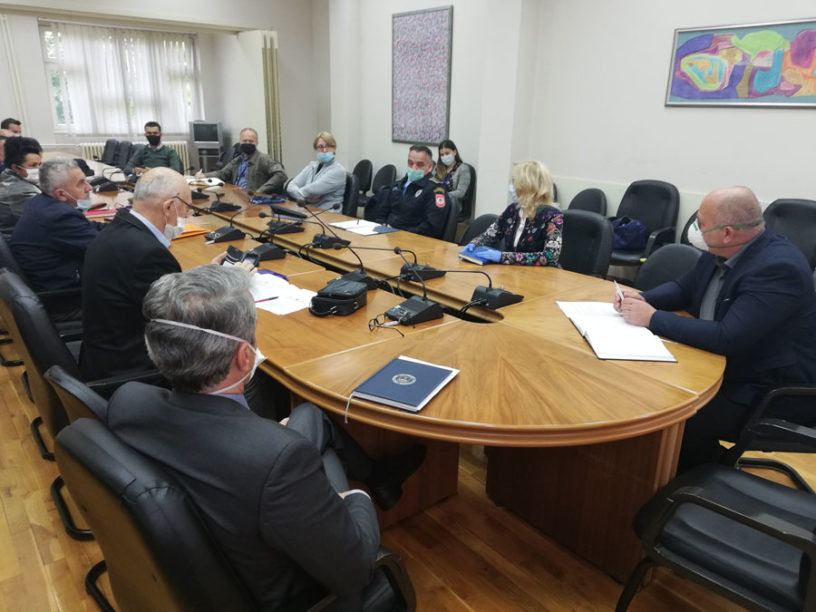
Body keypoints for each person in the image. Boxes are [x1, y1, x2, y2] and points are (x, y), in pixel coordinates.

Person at [106, 264, 424, 610]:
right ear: (245, 357)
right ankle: (374, 484)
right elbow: (356, 571)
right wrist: (351, 497)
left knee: (310, 415)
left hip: (228, 513)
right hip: (300, 596)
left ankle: (379, 476)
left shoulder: (128, 402)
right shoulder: (279, 460)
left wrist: (269, 440)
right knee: (321, 455)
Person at [615, 186, 816, 470]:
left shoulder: (778, 268)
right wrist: (643, 299)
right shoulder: (723, 249)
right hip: (724, 366)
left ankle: (692, 477)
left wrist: (652, 318)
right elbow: (683, 288)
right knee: (639, 386)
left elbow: (727, 337)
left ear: (728, 233)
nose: (695, 230)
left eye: (701, 224)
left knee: (669, 412)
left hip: (767, 390)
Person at [80, 167, 195, 380]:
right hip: (134, 370)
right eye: (186, 207)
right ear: (169, 207)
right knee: (242, 365)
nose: (187, 215)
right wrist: (227, 284)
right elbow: (185, 323)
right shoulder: (149, 254)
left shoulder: (117, 230)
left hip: (103, 354)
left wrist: (202, 277)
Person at [10, 158, 104, 300]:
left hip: (55, 283)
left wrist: (122, 227)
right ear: (61, 194)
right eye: (81, 183)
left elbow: (90, 227)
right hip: (67, 297)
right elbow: (105, 250)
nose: (89, 187)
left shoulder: (40, 202)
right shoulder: (59, 216)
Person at [461, 160, 562, 265]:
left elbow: (550, 257)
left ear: (528, 186)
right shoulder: (513, 209)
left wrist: (503, 257)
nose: (511, 186)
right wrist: (475, 244)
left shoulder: (553, 216)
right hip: (511, 271)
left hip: (540, 274)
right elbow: (490, 235)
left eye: (515, 181)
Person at [367, 145, 451, 238]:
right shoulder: (398, 185)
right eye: (410, 163)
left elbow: (432, 227)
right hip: (387, 235)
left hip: (413, 239)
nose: (414, 168)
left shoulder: (435, 190)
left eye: (419, 164)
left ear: (430, 167)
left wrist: (400, 234)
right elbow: (381, 211)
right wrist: (381, 224)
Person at [198, 127, 287, 194]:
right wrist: (204, 175)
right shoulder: (237, 160)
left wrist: (260, 191)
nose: (247, 143)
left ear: (256, 143)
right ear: (240, 142)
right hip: (237, 196)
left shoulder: (263, 158)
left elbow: (281, 175)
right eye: (245, 141)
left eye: (251, 141)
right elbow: (222, 174)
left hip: (252, 199)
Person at [285, 131, 346, 211]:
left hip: (328, 213)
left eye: (328, 146)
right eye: (320, 147)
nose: (324, 150)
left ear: (334, 148)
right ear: (316, 149)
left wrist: (300, 195)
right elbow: (291, 186)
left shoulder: (338, 171)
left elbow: (312, 192)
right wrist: (306, 199)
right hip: (310, 210)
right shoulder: (312, 166)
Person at [0, 136, 42, 237]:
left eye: (40, 164)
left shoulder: (8, 176)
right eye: (33, 165)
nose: (38, 169)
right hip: (21, 240)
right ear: (15, 167)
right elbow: (46, 219)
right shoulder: (20, 192)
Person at [433, 139, 473, 215]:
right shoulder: (437, 168)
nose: (444, 156)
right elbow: (430, 184)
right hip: (434, 202)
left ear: (454, 152)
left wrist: (441, 196)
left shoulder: (463, 169)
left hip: (452, 204)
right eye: (442, 155)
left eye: (447, 153)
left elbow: (461, 192)